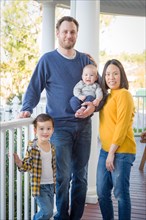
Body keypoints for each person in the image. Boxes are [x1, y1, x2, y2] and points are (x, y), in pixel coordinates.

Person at [18, 16, 106, 220]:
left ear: (77, 34)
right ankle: (62, 217)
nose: (69, 35)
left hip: (84, 127)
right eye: (65, 31)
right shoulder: (48, 60)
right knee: (63, 177)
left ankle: (75, 217)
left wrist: (92, 106)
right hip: (60, 129)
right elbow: (34, 87)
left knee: (81, 177)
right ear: (57, 33)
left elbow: (100, 89)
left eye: (73, 32)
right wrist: (26, 108)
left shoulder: (86, 60)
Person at [96, 59, 136, 220]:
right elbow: (94, 77)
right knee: (102, 193)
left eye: (115, 73)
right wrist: (89, 60)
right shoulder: (107, 95)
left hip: (121, 152)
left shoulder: (124, 95)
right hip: (105, 151)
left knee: (120, 194)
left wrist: (112, 152)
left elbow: (122, 125)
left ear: (122, 75)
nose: (111, 77)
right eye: (107, 74)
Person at [14, 113, 56, 220]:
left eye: (48, 128)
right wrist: (19, 163)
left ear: (53, 130)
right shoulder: (33, 147)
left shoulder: (52, 146)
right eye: (41, 128)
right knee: (47, 212)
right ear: (35, 130)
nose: (45, 132)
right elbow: (27, 165)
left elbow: (53, 165)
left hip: (51, 185)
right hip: (39, 186)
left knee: (48, 212)